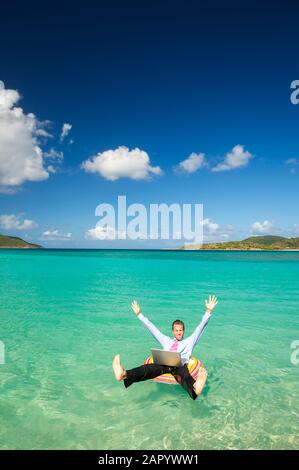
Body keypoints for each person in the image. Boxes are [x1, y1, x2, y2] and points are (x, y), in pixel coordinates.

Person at [112, 295, 218, 400]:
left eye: (180, 330)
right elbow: (152, 328)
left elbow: (200, 327)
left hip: (180, 366)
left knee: (185, 376)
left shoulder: (189, 342)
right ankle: (123, 374)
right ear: (173, 331)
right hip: (164, 364)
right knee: (148, 369)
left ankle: (196, 389)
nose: (179, 332)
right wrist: (139, 314)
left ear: (183, 331)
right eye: (176, 330)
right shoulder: (166, 340)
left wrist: (208, 311)